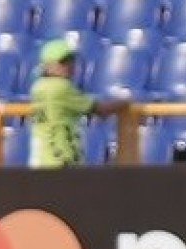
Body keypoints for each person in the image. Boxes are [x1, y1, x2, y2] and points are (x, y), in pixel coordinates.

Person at [27, 40, 121, 169]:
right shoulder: (61, 87)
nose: (70, 65)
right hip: (59, 158)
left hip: (41, 157)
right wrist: (125, 103)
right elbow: (100, 109)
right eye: (63, 61)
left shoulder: (38, 86)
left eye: (71, 60)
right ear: (48, 65)